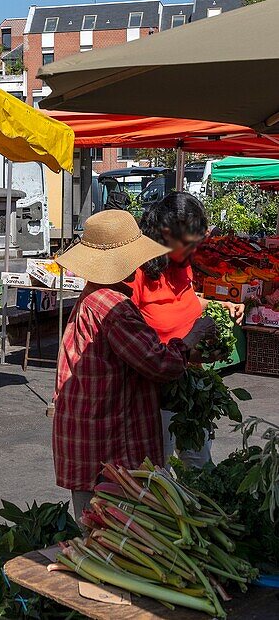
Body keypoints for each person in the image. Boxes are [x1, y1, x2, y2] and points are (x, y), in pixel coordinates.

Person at [52, 210, 212, 523]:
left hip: (88, 433)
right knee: (110, 531)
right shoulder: (114, 308)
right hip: (107, 442)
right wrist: (194, 335)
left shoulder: (93, 297)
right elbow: (160, 364)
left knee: (94, 524)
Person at [137, 191, 244, 467]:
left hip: (191, 379)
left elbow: (187, 299)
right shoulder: (138, 273)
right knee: (156, 465)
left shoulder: (182, 265)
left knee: (197, 461)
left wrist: (220, 305)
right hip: (152, 391)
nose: (194, 250)